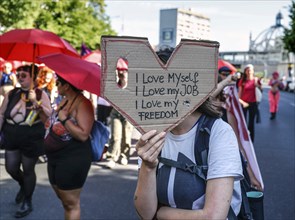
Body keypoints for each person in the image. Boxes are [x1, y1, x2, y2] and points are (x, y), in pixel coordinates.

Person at [134, 48, 243, 220]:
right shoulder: (152, 136)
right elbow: (146, 213)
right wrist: (147, 167)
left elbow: (214, 216)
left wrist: (162, 213)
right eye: (150, 88)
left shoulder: (219, 132)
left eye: (165, 86)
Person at [0, 64, 52, 218]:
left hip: (31, 136)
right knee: (11, 167)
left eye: (24, 76)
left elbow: (49, 115)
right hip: (12, 134)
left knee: (28, 169)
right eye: (19, 75)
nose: (20, 78)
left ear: (33, 77)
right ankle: (23, 185)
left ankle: (27, 201)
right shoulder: (12, 93)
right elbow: (2, 113)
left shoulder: (40, 94)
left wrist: (36, 102)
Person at [43, 75, 94, 220]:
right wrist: (40, 111)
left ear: (67, 86)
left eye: (58, 82)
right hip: (55, 157)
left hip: (73, 157)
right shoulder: (65, 101)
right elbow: (51, 125)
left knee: (71, 203)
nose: (56, 84)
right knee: (64, 199)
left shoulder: (83, 103)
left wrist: (65, 119)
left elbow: (83, 134)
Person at [213, 67, 263, 191]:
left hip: (222, 169)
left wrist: (250, 175)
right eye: (223, 74)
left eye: (219, 98)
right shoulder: (199, 116)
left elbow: (239, 147)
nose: (216, 103)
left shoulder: (227, 114)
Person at [105, 57, 134, 168]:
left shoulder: (132, 84)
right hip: (116, 113)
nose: (121, 72)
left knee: (126, 137)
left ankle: (124, 156)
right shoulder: (114, 85)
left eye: (123, 71)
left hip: (128, 114)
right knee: (115, 136)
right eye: (119, 70)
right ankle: (112, 157)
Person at [238, 64, 262, 142]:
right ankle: (243, 140)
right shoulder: (242, 80)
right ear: (245, 71)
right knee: (243, 123)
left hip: (253, 104)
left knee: (251, 124)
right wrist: (242, 102)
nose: (249, 71)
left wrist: (257, 85)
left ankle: (251, 141)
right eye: (247, 70)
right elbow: (239, 95)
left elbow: (261, 91)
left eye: (251, 70)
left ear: (253, 71)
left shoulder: (256, 80)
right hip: (244, 103)